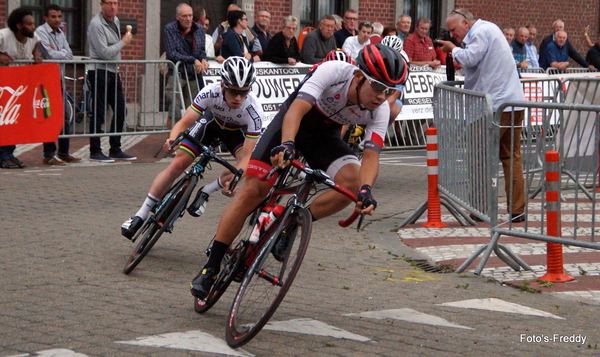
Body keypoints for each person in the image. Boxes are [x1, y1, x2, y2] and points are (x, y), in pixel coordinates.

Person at [189, 44, 409, 299]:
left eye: (390, 90)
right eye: (378, 86)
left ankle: (291, 223)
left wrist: (366, 190)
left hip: (324, 137)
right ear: (359, 77)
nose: (382, 96)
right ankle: (211, 267)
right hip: (292, 123)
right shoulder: (333, 72)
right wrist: (287, 143)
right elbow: (296, 109)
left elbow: (371, 155)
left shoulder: (379, 110)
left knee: (352, 183)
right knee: (252, 191)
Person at [122, 57, 264, 238]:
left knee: (242, 166)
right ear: (223, 86)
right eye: (233, 91)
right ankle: (140, 215)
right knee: (177, 165)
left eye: (243, 93)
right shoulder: (210, 92)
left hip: (235, 134)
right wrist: (172, 139)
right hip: (210, 124)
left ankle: (206, 191)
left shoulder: (253, 110)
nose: (238, 98)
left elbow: (246, 157)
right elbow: (184, 122)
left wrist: (234, 182)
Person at [439, 9, 527, 223]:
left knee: (479, 159)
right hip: (512, 102)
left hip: (493, 106)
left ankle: (480, 208)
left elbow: (470, 58)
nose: (452, 35)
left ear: (466, 23)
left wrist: (453, 50)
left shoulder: (480, 32)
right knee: (511, 156)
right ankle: (517, 209)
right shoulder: (490, 29)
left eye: (453, 30)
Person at [87, 0, 136, 163]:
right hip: (99, 70)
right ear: (101, 4)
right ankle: (95, 150)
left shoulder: (115, 20)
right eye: (109, 3)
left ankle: (115, 148)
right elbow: (104, 53)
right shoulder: (96, 24)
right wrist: (123, 42)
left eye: (116, 3)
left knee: (121, 109)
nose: (113, 6)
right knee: (99, 110)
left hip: (112, 71)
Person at [35, 4, 81, 166]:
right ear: (46, 18)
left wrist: (59, 53)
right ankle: (48, 154)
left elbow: (69, 54)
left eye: (60, 17)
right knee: (49, 117)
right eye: (54, 17)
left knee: (64, 115)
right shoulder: (40, 31)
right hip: (45, 80)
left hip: (58, 78)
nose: (57, 20)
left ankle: (63, 152)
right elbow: (48, 54)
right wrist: (60, 53)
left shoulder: (61, 32)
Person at [0, 7, 42, 169]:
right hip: (3, 86)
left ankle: (9, 153)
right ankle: (3, 154)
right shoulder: (3, 36)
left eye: (33, 23)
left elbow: (36, 48)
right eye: (30, 24)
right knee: (3, 120)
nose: (33, 27)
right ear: (19, 26)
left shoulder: (33, 37)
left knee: (15, 121)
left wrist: (36, 57)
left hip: (20, 86)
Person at [164, 3, 209, 129]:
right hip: (177, 74)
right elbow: (172, 53)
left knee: (194, 110)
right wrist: (193, 60)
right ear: (177, 17)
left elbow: (201, 50)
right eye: (184, 16)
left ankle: (192, 140)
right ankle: (172, 140)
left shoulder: (199, 29)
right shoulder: (170, 29)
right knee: (175, 111)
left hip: (193, 74)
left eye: (190, 15)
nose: (188, 19)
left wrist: (203, 59)